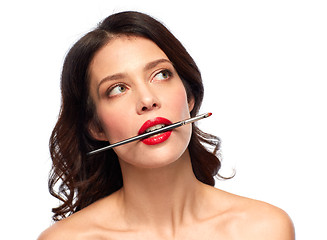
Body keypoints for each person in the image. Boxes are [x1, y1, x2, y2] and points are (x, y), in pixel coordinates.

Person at [39, 11, 294, 239]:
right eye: (118, 89)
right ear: (96, 127)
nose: (147, 100)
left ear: (190, 96)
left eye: (161, 74)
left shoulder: (265, 229)